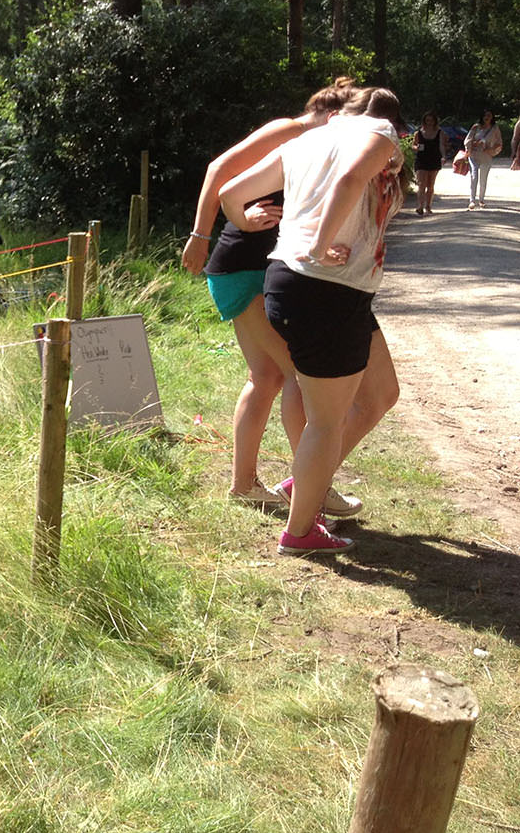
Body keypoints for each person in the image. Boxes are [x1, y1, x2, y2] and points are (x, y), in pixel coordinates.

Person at [219, 87, 405, 556]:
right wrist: (321, 244)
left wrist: (244, 218)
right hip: (325, 290)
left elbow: (229, 192)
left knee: (382, 393)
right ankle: (300, 532)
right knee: (326, 419)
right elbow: (347, 181)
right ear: (387, 121)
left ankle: (302, 483)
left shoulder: (309, 139)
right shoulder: (378, 133)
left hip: (315, 286)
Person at [181, 81, 363, 515]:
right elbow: (218, 171)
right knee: (298, 375)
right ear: (330, 114)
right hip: (240, 268)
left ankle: (245, 484)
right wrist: (201, 234)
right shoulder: (289, 130)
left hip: (251, 268)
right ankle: (313, 488)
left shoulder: (317, 146)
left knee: (265, 377)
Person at [464, 109, 502, 210]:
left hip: (487, 155)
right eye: (485, 115)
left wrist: (491, 149)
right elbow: (467, 140)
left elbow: (499, 143)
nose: (487, 117)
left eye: (489, 115)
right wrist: (470, 147)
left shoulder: (495, 128)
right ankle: (472, 200)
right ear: (482, 116)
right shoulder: (475, 127)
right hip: (474, 155)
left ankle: (481, 200)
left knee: (483, 178)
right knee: (474, 176)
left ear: (492, 117)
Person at [411, 111, 446, 216]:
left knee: (430, 185)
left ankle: (428, 206)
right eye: (427, 120)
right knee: (421, 184)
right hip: (421, 159)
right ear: (424, 121)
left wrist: (443, 156)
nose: (429, 122)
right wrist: (416, 148)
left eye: (431, 120)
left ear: (435, 121)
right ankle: (420, 206)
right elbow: (413, 145)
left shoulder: (440, 132)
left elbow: (442, 146)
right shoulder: (418, 133)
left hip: (434, 159)